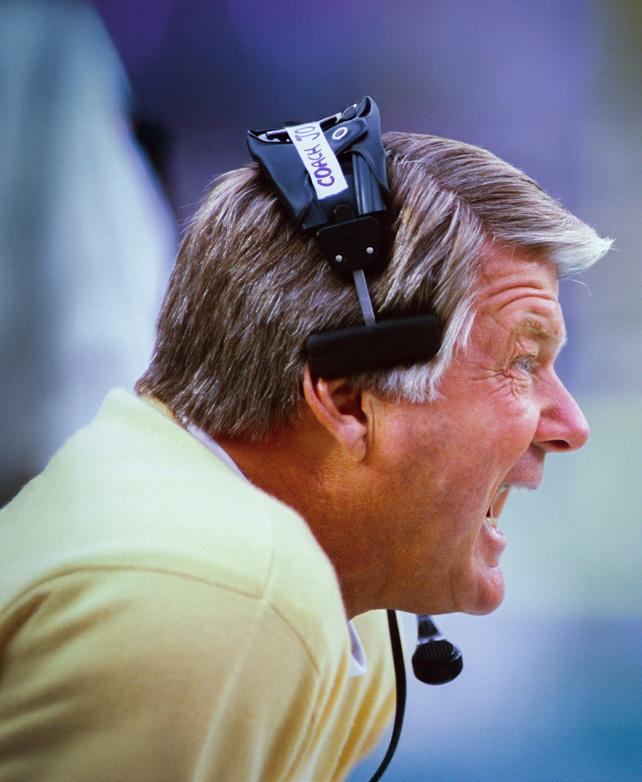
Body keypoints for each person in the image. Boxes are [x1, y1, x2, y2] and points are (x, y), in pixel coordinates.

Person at [0, 128, 611, 781]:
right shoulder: (230, 587)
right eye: (522, 362)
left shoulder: (321, 602)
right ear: (348, 401)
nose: (572, 426)